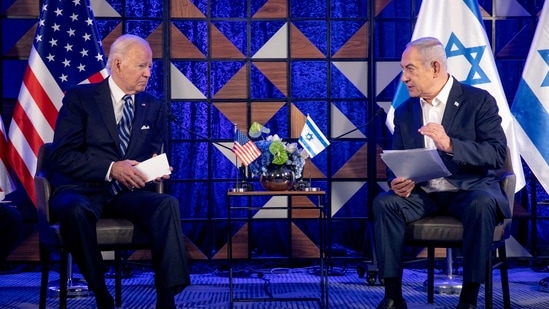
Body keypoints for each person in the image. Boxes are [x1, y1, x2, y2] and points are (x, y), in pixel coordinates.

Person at [49, 34, 190, 309]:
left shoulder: (153, 106)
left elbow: (150, 153)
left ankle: (166, 299)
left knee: (166, 205)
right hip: (81, 189)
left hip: (125, 193)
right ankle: (101, 292)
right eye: (141, 66)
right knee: (75, 211)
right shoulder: (81, 98)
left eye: (150, 67)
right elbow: (62, 157)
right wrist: (111, 169)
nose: (148, 73)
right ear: (117, 64)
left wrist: (153, 168)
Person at [373, 37, 509, 309]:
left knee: (481, 204)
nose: (403, 78)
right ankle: (392, 297)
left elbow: (496, 154)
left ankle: (468, 299)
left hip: (469, 190)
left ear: (434, 67)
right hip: (424, 194)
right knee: (385, 203)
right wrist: (398, 181)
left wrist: (450, 145)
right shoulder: (405, 111)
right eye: (403, 70)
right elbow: (398, 159)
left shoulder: (478, 101)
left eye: (409, 69)